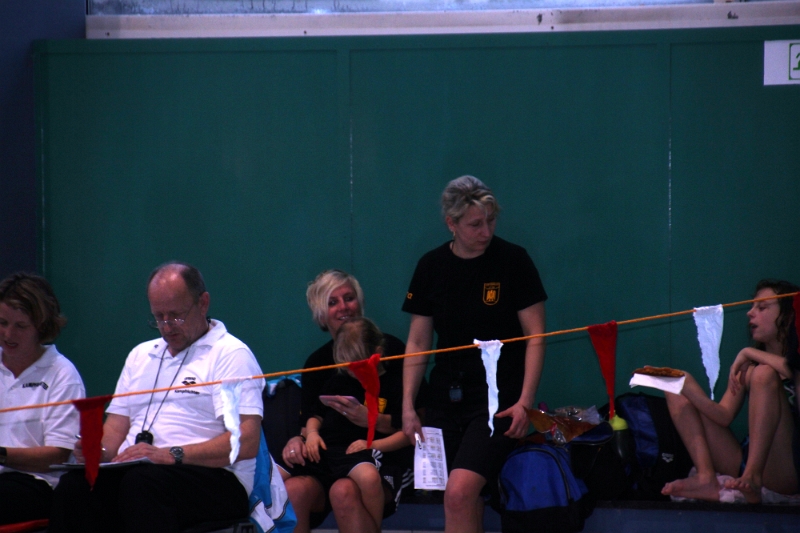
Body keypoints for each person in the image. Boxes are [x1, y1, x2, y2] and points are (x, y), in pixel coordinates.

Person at [50, 262, 265, 532]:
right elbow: (115, 429)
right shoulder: (141, 355)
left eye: (175, 316)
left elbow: (245, 441)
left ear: (203, 303)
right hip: (142, 471)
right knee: (75, 486)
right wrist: (96, 450)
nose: (166, 327)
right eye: (158, 317)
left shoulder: (231, 354)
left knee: (142, 484)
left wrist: (171, 455)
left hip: (215, 477)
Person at [401, 175, 547, 533]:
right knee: (463, 498)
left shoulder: (513, 260)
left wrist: (525, 401)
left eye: (491, 221)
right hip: (446, 398)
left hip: (498, 400)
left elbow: (536, 336)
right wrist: (407, 405)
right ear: (451, 223)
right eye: (475, 225)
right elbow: (418, 342)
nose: (486, 232)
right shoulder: (430, 266)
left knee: (459, 493)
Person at [281, 269, 411, 532]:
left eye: (349, 298)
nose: (343, 307)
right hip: (331, 456)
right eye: (333, 302)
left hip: (377, 458)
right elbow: (311, 418)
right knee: (291, 488)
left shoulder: (394, 351)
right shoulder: (318, 364)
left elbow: (416, 421)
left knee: (343, 490)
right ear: (321, 314)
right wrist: (300, 439)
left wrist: (371, 421)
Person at [662, 279, 800, 503]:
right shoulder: (748, 368)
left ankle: (753, 477)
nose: (750, 313)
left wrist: (749, 353)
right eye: (752, 306)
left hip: (787, 469)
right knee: (675, 385)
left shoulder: (760, 368)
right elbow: (723, 415)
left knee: (764, 374)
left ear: (789, 315)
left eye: (762, 307)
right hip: (742, 461)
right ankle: (706, 477)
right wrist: (687, 388)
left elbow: (791, 369)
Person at [0, 272, 85, 525]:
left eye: (20, 326)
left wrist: (2, 455)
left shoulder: (62, 374)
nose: (8, 334)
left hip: (36, 483)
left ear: (41, 326)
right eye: (2, 323)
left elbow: (57, 456)